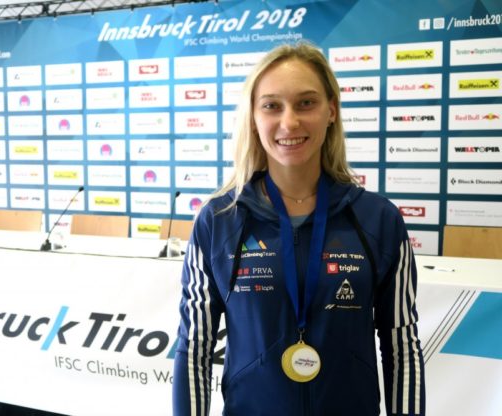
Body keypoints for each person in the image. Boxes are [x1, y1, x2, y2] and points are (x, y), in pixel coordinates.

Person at [172, 42, 425, 416]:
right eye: (272, 106)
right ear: (253, 118)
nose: (289, 122)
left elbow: (401, 346)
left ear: (331, 111)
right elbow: (194, 348)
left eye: (306, 103)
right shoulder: (219, 221)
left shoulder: (378, 220)